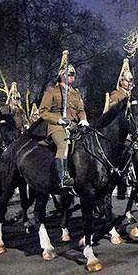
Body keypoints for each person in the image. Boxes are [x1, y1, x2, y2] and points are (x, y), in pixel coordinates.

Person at [38, 50, 89, 189]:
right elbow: (43, 112)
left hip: (73, 125)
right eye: (69, 74)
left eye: (73, 75)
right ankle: (63, 178)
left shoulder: (76, 93)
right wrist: (59, 119)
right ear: (62, 75)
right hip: (57, 126)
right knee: (63, 145)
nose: (72, 77)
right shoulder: (52, 91)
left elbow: (80, 110)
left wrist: (83, 119)